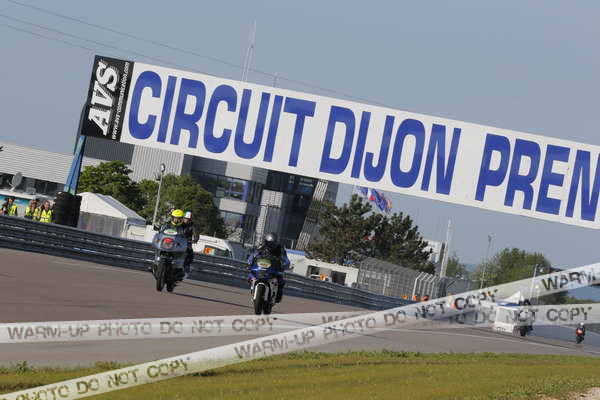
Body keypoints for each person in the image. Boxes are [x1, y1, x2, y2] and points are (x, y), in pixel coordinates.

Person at [247, 232, 290, 303]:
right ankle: (253, 289)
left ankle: (277, 296)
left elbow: (285, 259)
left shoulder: (280, 249)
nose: (270, 245)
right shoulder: (261, 247)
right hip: (260, 267)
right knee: (250, 276)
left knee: (281, 281)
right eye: (269, 243)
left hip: (274, 268)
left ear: (276, 243)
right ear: (266, 242)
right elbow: (253, 255)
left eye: (272, 244)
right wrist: (250, 262)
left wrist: (284, 265)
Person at [158, 209, 192, 281]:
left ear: (181, 219)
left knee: (188, 250)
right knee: (159, 248)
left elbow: (188, 234)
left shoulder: (185, 226)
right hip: (167, 243)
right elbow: (161, 231)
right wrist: (159, 233)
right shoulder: (167, 224)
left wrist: (188, 239)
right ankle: (156, 263)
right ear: (172, 217)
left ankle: (185, 267)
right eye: (175, 218)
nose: (176, 220)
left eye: (178, 218)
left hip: (177, 244)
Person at [182, 211, 199, 277]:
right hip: (178, 240)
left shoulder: (192, 226)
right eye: (185, 218)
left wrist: (195, 239)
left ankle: (188, 265)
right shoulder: (180, 224)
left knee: (190, 250)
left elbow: (196, 234)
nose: (186, 220)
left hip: (187, 242)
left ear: (190, 220)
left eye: (187, 219)